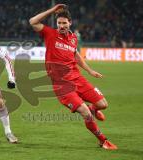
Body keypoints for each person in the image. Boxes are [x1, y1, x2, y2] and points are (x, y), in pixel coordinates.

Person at [29, 4, 117, 150]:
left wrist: (89, 71)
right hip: (62, 85)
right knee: (86, 114)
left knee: (103, 104)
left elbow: (75, 55)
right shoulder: (50, 34)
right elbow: (33, 21)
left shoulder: (73, 38)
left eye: (64, 23)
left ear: (70, 23)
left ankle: (93, 109)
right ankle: (103, 141)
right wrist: (52, 10)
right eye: (59, 23)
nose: (61, 26)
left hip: (77, 78)